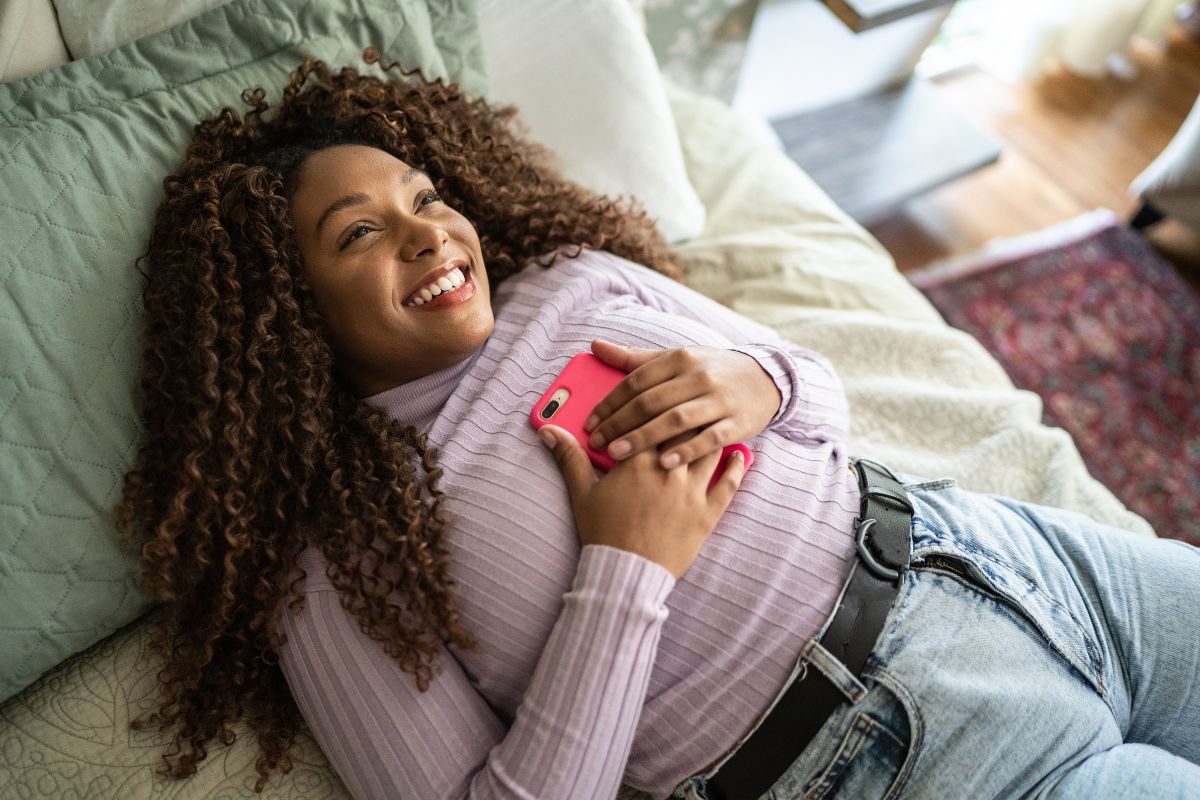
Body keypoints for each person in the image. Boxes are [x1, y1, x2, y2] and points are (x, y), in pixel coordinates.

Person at [113, 51, 1200, 800]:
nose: (430, 234)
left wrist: (756, 381)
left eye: (424, 195)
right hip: (880, 747)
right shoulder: (331, 551)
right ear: (283, 309)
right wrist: (624, 566)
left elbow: (817, 395)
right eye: (360, 232)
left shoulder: (576, 278)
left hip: (1005, 559)